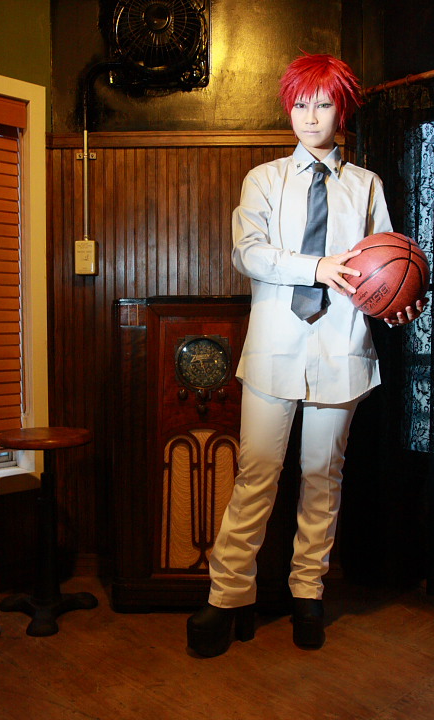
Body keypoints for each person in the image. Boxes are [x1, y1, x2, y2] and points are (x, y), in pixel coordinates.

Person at [186, 52, 426, 657]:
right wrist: (316, 266)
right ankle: (228, 596)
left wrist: (398, 303)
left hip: (341, 348)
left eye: (323, 103)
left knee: (323, 476)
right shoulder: (264, 179)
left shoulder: (366, 185)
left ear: (342, 110)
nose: (311, 115)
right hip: (275, 349)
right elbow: (248, 253)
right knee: (257, 473)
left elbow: (388, 265)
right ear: (288, 109)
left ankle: (307, 592)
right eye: (300, 103)